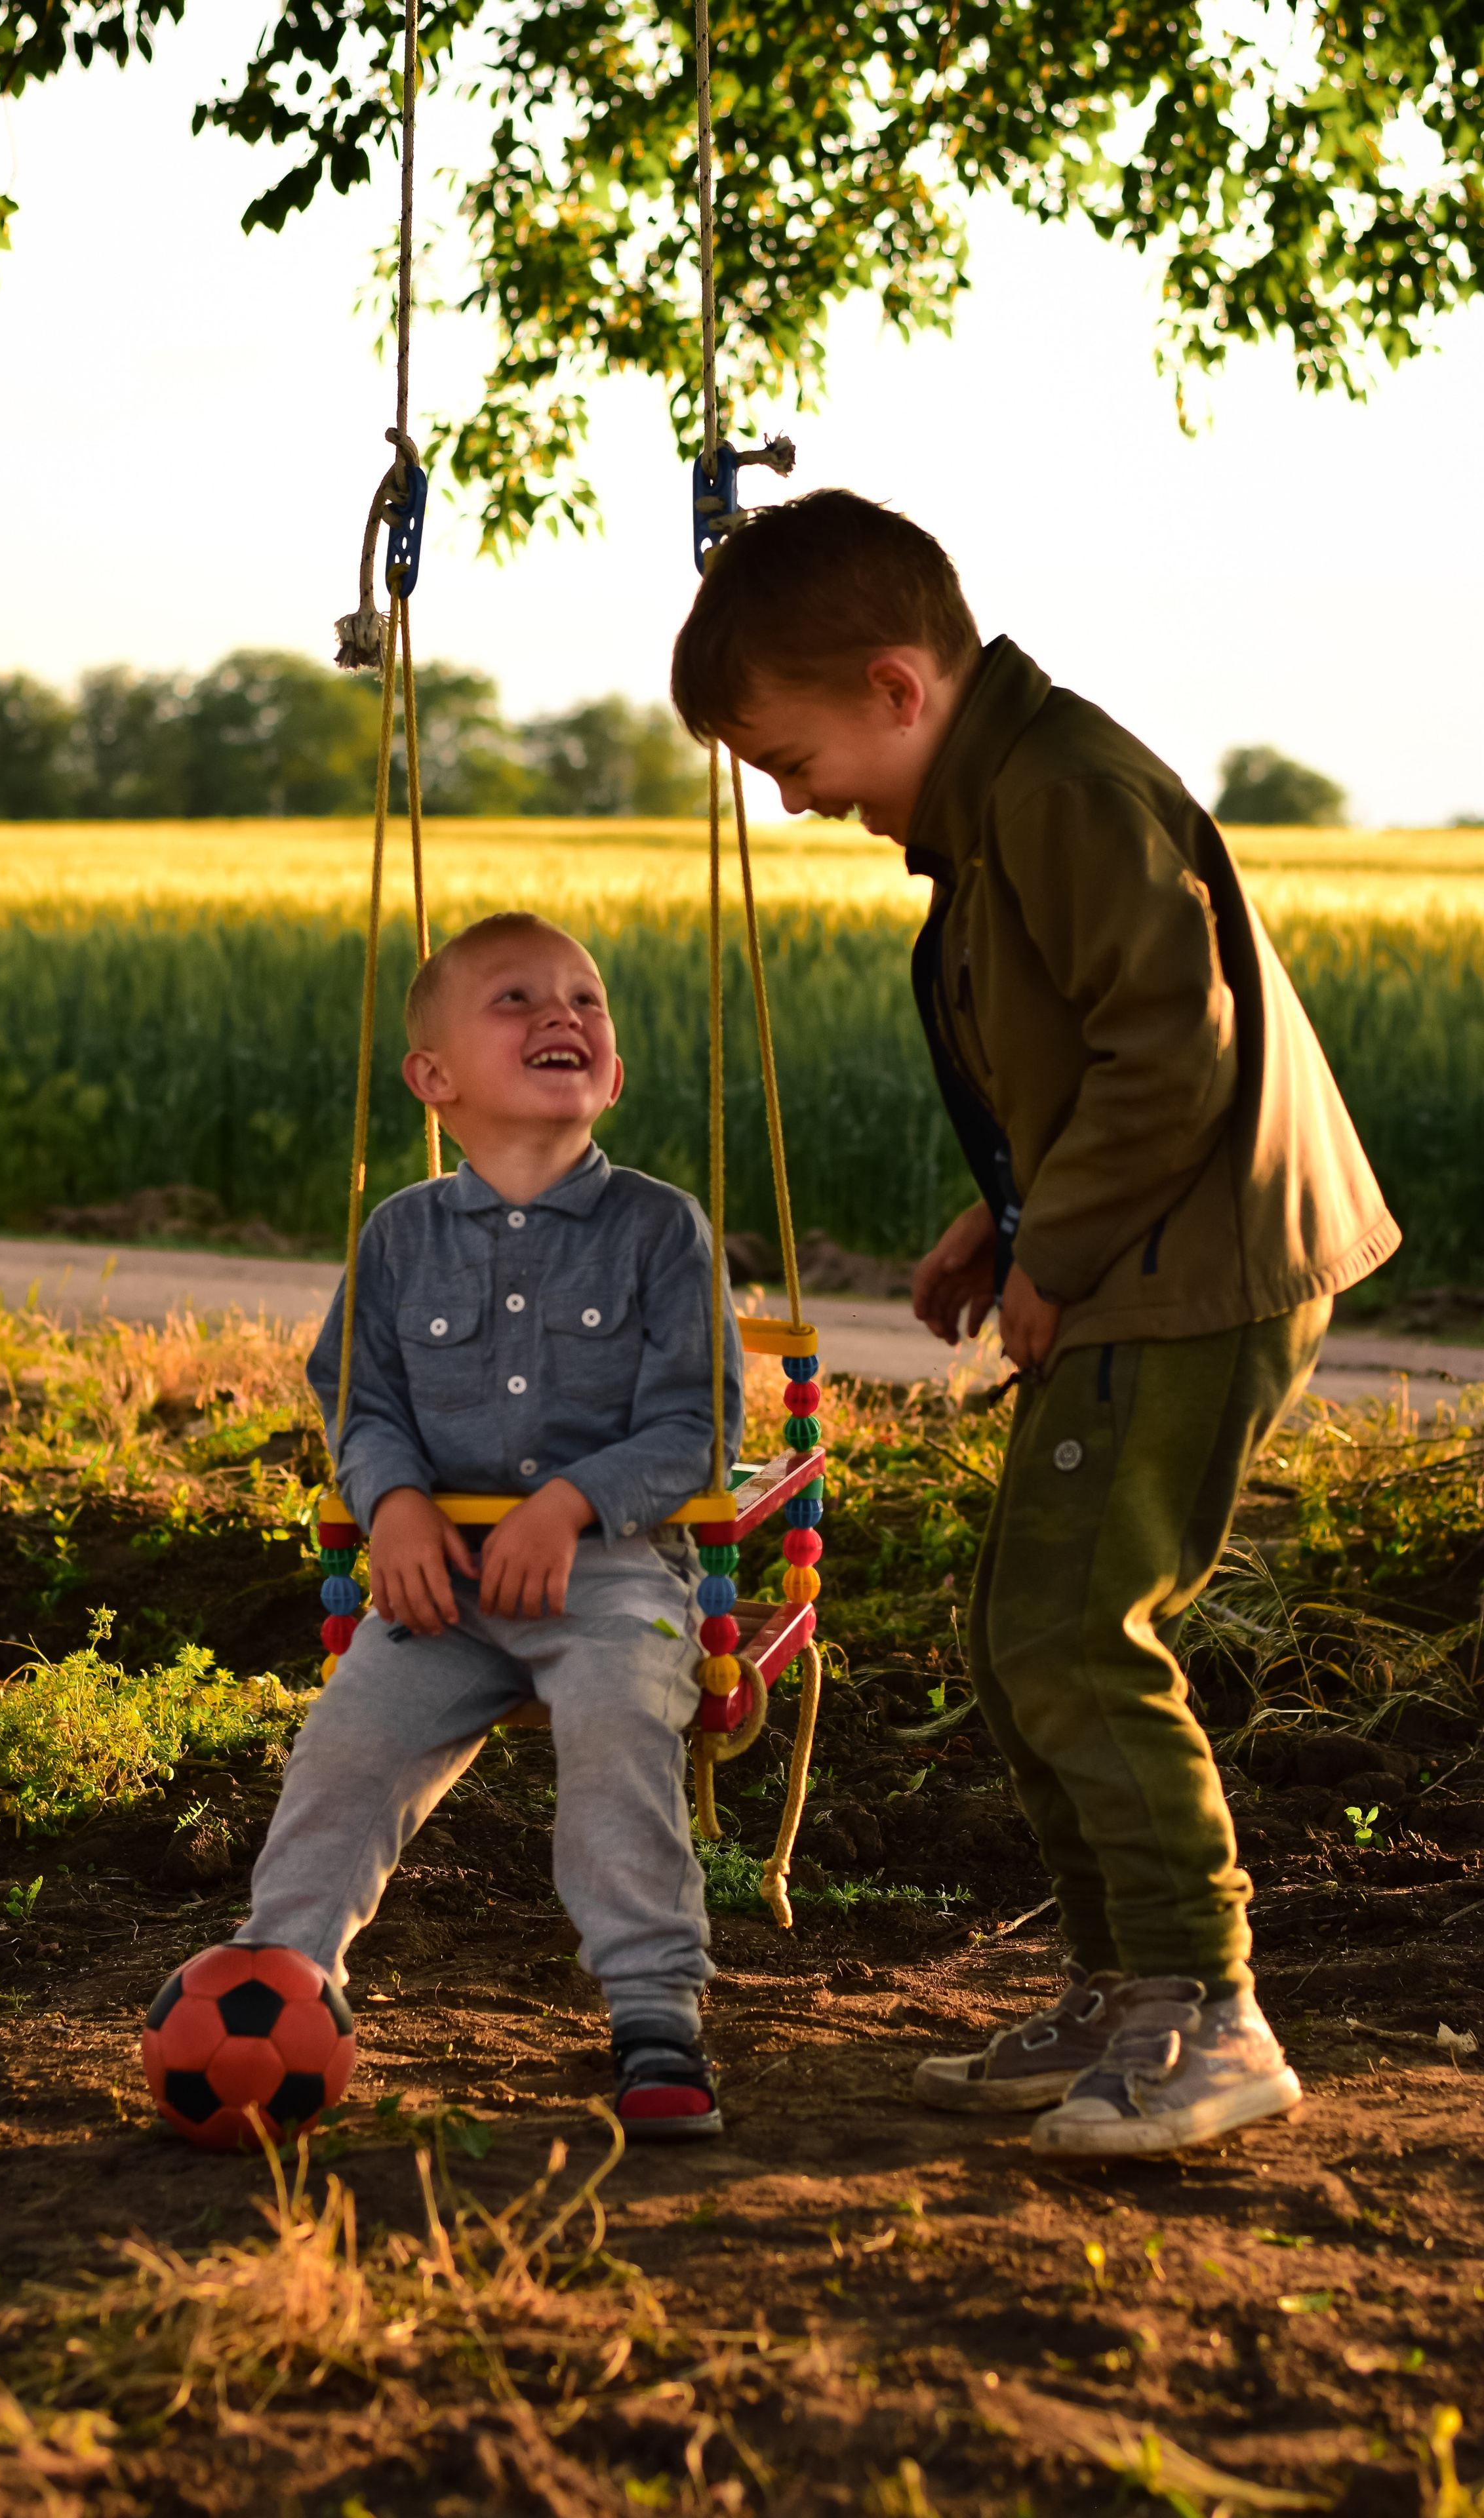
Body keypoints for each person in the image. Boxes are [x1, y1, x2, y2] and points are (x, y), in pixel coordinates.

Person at [670, 489, 1398, 2159]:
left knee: (1079, 1636)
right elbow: (1086, 1057)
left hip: (1185, 1275)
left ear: (894, 687)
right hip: (1142, 1249)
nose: (793, 801)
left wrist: (1048, 1257)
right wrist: (992, 1225)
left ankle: (1206, 2017)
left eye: (791, 759)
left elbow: (1171, 1052)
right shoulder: (1009, 797)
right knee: (1023, 1635)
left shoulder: (1059, 793)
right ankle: (1117, 1987)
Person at [235, 911, 742, 2140]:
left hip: (613, 1571)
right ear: (436, 1078)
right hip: (440, 1585)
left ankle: (653, 2010)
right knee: (348, 1747)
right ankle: (277, 1981)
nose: (561, 1014)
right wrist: (395, 1505)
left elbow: (698, 1425)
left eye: (585, 1000)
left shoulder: (660, 1231)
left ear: (611, 1074)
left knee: (623, 1716)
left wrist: (572, 1504)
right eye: (516, 1000)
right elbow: (358, 1404)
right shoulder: (401, 1237)